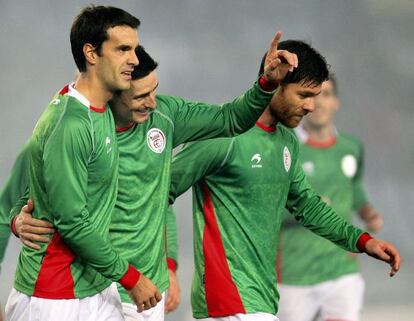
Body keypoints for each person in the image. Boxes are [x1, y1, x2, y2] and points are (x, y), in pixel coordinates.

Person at [10, 32, 296, 321]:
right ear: (113, 92)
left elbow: (231, 118)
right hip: (98, 286)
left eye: (154, 91)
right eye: (140, 97)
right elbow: (35, 182)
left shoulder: (165, 117)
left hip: (146, 291)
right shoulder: (85, 126)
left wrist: (267, 83)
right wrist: (17, 219)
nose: (151, 103)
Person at [166, 40, 401, 321]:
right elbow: (160, 189)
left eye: (316, 96)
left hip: (262, 299)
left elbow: (308, 206)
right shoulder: (223, 134)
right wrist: (166, 264)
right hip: (228, 302)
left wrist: (362, 241)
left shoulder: (287, 141)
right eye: (304, 94)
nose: (312, 106)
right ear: (276, 83)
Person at [4, 5, 160, 321]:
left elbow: (41, 182)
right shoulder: (71, 124)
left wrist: (18, 217)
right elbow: (72, 221)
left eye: (133, 48)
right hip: (53, 297)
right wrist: (132, 278)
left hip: (93, 288)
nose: (134, 59)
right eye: (122, 49)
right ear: (91, 53)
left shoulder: (97, 110)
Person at [276, 75, 384, 321]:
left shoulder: (351, 147)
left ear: (336, 102)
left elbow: (353, 187)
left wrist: (368, 212)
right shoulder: (285, 147)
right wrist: (308, 208)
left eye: (326, 95)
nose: (320, 103)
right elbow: (269, 205)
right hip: (294, 275)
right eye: (312, 95)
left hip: (340, 272)